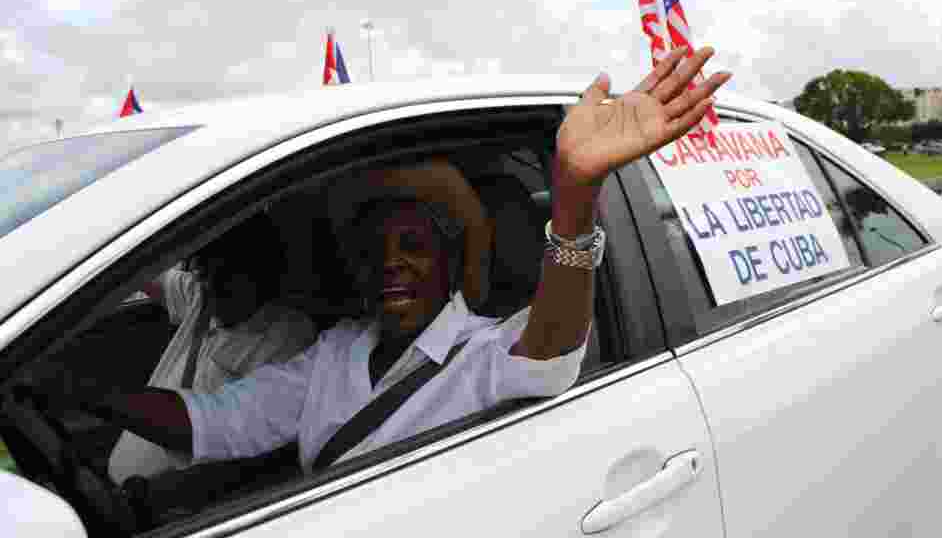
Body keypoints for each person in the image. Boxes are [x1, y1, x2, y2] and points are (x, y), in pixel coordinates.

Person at [62, 46, 730, 477]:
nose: (391, 263)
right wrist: (82, 396)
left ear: (452, 259)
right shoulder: (334, 356)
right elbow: (217, 421)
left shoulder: (484, 352)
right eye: (375, 247)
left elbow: (555, 342)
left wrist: (576, 192)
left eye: (412, 245)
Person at [105, 212, 317, 484]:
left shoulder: (288, 339)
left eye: (224, 275)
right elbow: (140, 271)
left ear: (260, 272)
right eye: (202, 272)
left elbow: (246, 449)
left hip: (167, 504)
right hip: (118, 483)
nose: (208, 286)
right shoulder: (200, 298)